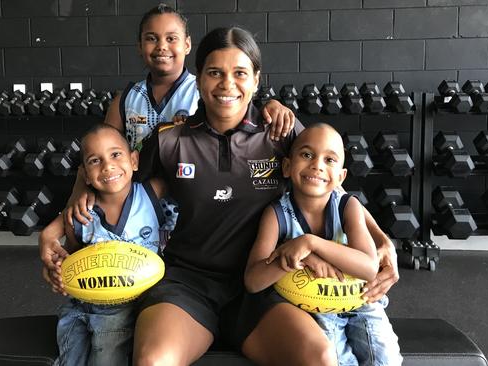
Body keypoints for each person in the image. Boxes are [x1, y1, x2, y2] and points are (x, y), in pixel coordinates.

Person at [128, 27, 398, 366]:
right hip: (189, 284)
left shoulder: (281, 131)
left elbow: (333, 188)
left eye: (240, 73)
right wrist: (55, 229)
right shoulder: (170, 140)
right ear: (199, 80)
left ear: (256, 80)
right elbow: (113, 183)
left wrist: (381, 239)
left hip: (269, 281)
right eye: (215, 73)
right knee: (153, 362)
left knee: (319, 358)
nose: (227, 84)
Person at [58, 4, 295, 231]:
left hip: (191, 212)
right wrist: (81, 188)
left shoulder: (206, 91)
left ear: (187, 44)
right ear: (139, 46)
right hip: (139, 212)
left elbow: (239, 105)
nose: (162, 46)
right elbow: (100, 153)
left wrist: (271, 105)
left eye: (171, 38)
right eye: (152, 38)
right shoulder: (126, 99)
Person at [244, 123, 403, 365]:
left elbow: (369, 267)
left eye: (330, 160)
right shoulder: (276, 215)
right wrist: (291, 259)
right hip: (312, 307)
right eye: (307, 155)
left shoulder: (348, 207)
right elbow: (253, 281)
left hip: (361, 301)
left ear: (341, 176)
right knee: (336, 361)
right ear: (287, 166)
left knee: (386, 359)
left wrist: (311, 243)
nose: (317, 165)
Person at [41, 124, 166, 366]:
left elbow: (191, 181)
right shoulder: (81, 214)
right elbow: (71, 254)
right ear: (85, 175)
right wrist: (59, 269)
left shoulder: (152, 194)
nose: (107, 166)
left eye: (116, 154)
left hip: (126, 308)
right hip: (80, 305)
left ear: (134, 160)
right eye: (94, 160)